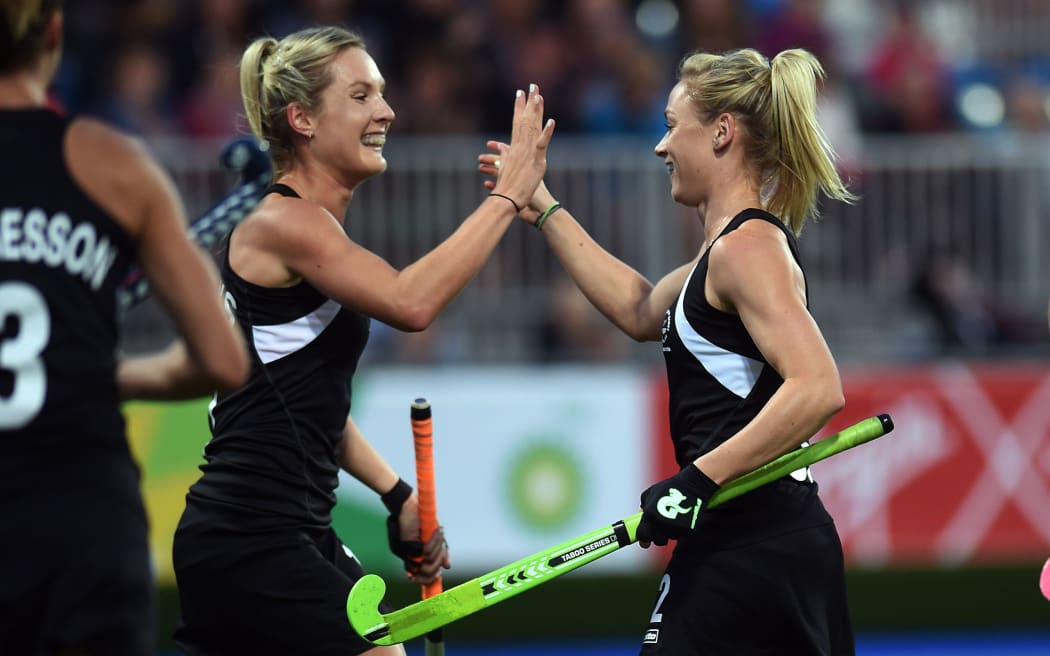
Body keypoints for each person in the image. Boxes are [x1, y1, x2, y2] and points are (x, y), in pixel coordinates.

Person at [171, 25, 554, 656]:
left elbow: (309, 404)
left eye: (380, 93)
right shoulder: (283, 222)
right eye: (360, 96)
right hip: (252, 535)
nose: (386, 111)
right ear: (302, 119)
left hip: (278, 531)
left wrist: (397, 494)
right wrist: (509, 195)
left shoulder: (309, 231)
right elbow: (412, 302)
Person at [482, 47, 856, 654]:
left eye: (671, 125)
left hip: (760, 539)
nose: (660, 147)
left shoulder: (748, 249)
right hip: (740, 534)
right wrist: (542, 206)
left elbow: (817, 387)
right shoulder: (715, 262)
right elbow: (635, 309)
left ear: (722, 133)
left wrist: (697, 481)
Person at [0, 2, 250, 655]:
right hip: (80, 521)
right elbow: (223, 360)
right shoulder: (110, 162)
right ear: (53, 33)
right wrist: (108, 375)